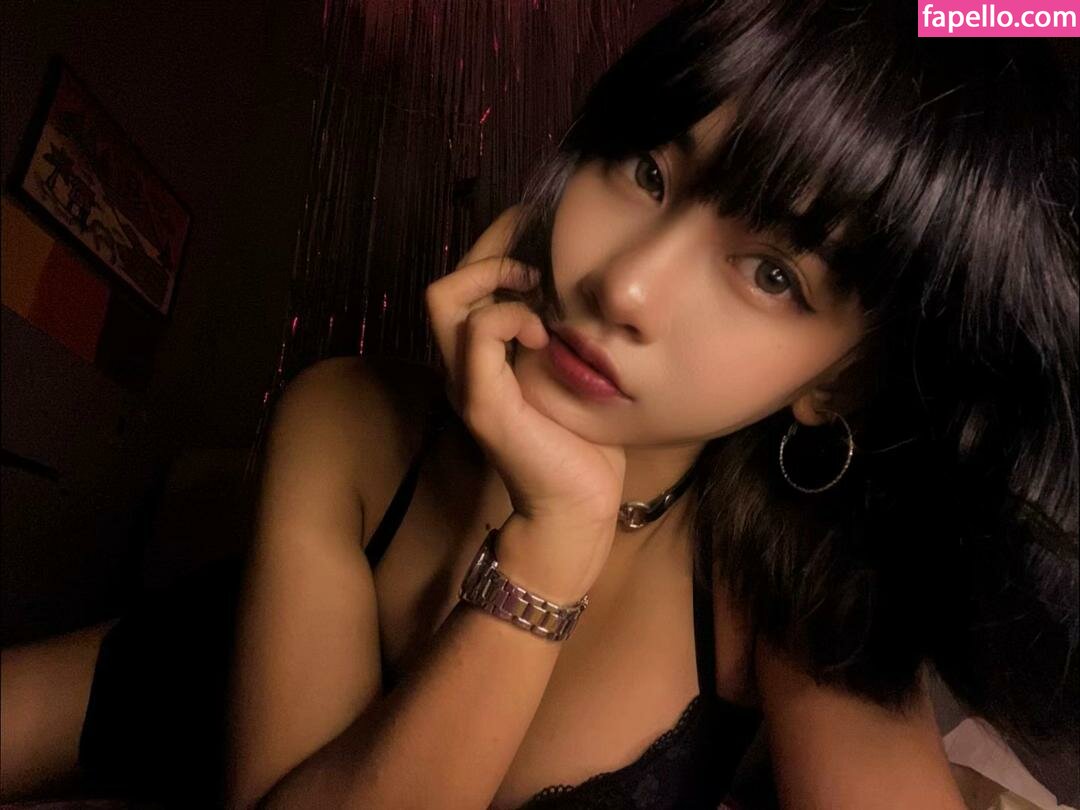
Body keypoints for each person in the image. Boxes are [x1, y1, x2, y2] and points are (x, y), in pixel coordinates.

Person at [2, 1, 1076, 808]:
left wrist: (559, 526)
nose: (627, 287)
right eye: (647, 173)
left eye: (771, 273)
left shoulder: (795, 593)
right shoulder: (348, 415)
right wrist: (548, 554)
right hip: (167, 680)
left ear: (838, 382)